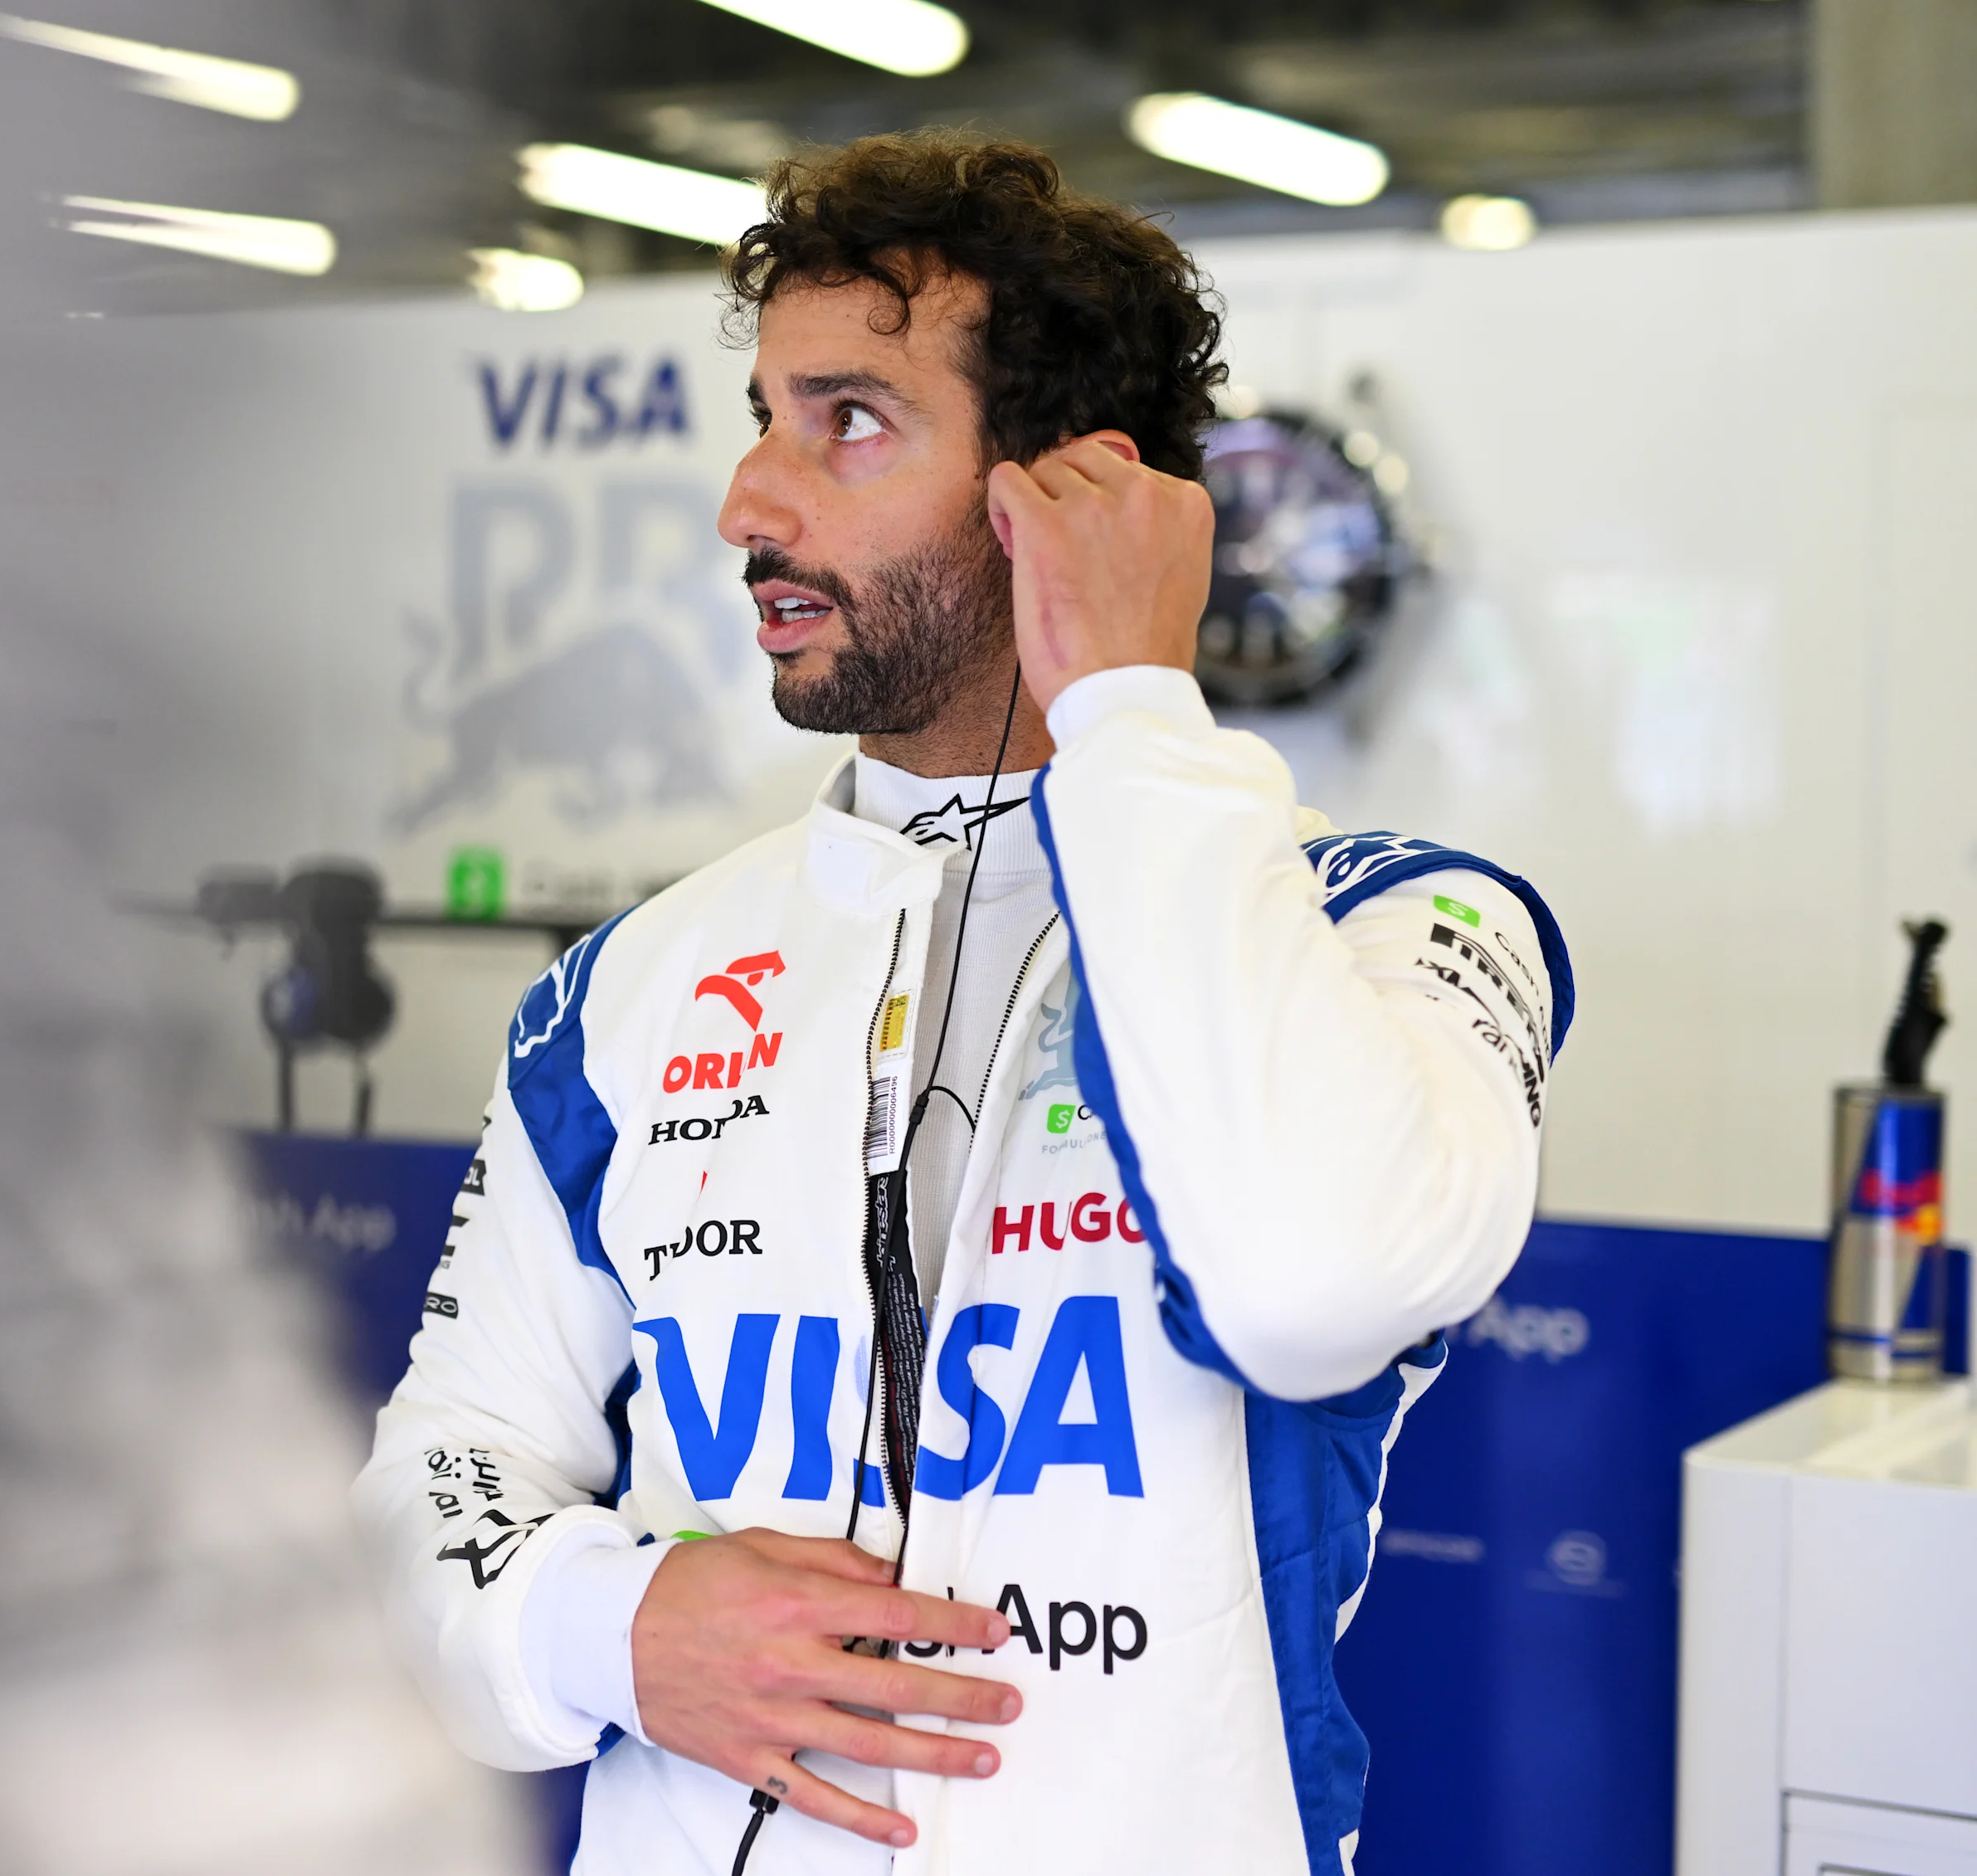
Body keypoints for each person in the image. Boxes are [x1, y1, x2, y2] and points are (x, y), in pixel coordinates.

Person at [356, 131, 1570, 1876]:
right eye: (764, 419)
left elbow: (1311, 1288)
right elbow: (435, 1481)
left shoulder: (1393, 920)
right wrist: (605, 1626)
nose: (748, 502)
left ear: (1063, 492)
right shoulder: (623, 990)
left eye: (847, 421)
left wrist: (1134, 706)